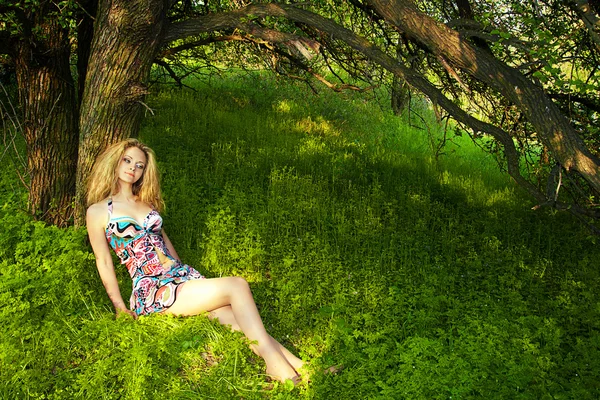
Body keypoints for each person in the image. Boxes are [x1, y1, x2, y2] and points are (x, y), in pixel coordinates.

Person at [86, 138, 304, 384]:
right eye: (127, 161)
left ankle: (303, 369)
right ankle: (274, 365)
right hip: (152, 289)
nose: (132, 169)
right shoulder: (98, 211)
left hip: (178, 278)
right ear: (115, 162)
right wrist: (119, 307)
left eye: (139, 165)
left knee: (235, 317)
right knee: (237, 284)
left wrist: (186, 276)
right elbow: (103, 261)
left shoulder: (146, 203)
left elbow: (165, 243)